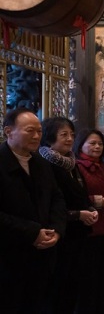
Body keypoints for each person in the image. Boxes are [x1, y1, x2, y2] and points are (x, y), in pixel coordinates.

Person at [0, 108, 66, 314]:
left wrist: (56, 229)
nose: (37, 136)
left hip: (43, 257)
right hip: (9, 258)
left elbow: (56, 198)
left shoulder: (40, 163)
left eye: (39, 131)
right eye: (30, 131)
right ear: (8, 132)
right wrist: (31, 232)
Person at [39, 117, 98, 313]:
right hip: (59, 236)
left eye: (72, 134)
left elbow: (79, 195)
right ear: (49, 137)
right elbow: (48, 206)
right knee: (58, 290)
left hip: (77, 235)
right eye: (63, 134)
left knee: (73, 287)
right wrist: (77, 215)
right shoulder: (45, 164)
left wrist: (89, 209)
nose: (70, 138)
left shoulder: (71, 163)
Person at [73, 129, 104, 314]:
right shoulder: (76, 167)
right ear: (81, 145)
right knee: (88, 277)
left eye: (99, 143)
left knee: (103, 276)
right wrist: (101, 201)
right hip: (87, 228)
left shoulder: (102, 166)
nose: (97, 147)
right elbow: (75, 198)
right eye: (92, 143)